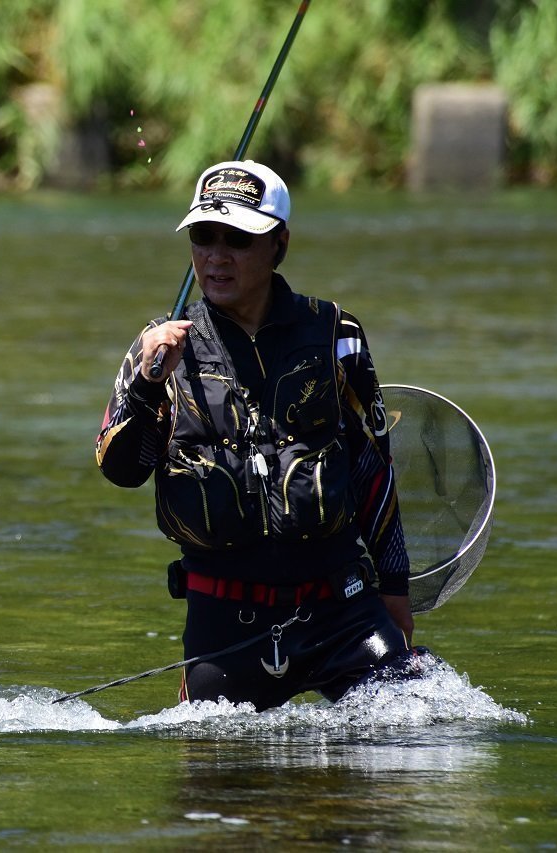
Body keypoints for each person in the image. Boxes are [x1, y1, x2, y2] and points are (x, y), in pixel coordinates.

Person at [95, 160, 420, 711]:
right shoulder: (159, 347)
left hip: (342, 610)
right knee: (219, 786)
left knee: (415, 742)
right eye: (203, 237)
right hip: (225, 626)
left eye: (239, 239)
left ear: (279, 245)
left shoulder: (336, 333)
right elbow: (122, 470)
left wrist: (394, 590)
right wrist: (151, 382)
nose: (217, 256)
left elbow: (372, 470)